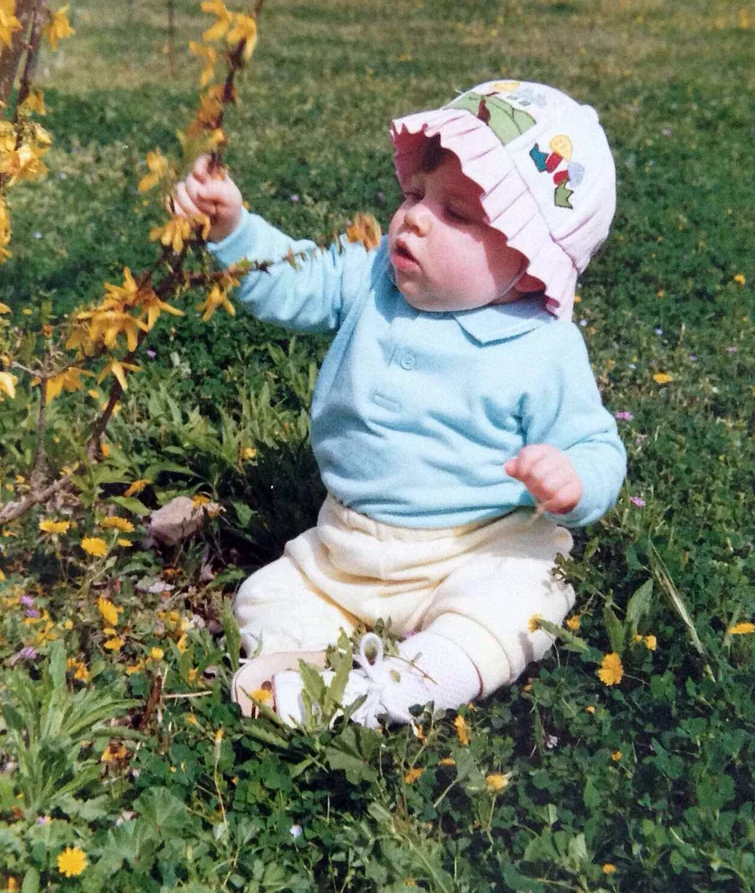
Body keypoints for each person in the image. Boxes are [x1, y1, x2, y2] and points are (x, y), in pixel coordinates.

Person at [173, 78, 626, 728]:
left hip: (478, 546)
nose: (414, 218)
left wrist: (572, 479)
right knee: (268, 596)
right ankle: (313, 668)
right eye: (414, 194)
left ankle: (411, 682)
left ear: (529, 262)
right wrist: (234, 231)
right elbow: (295, 279)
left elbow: (595, 444)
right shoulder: (371, 278)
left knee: (518, 603)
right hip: (349, 543)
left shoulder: (542, 347)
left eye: (457, 213)